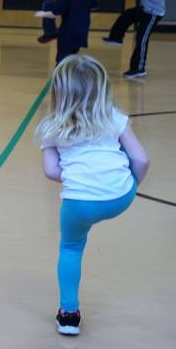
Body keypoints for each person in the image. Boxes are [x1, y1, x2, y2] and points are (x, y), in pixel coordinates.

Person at [35, 55, 149, 336]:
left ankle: (69, 315)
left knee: (71, 248)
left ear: (58, 92)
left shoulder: (51, 127)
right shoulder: (116, 118)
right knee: (124, 173)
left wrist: (80, 177)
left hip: (79, 202)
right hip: (120, 196)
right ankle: (122, 187)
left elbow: (51, 171)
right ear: (102, 89)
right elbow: (141, 159)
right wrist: (131, 185)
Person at [99, 0, 166, 79]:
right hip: (147, 10)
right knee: (127, 15)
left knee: (142, 39)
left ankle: (138, 69)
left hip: (153, 14)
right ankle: (116, 37)